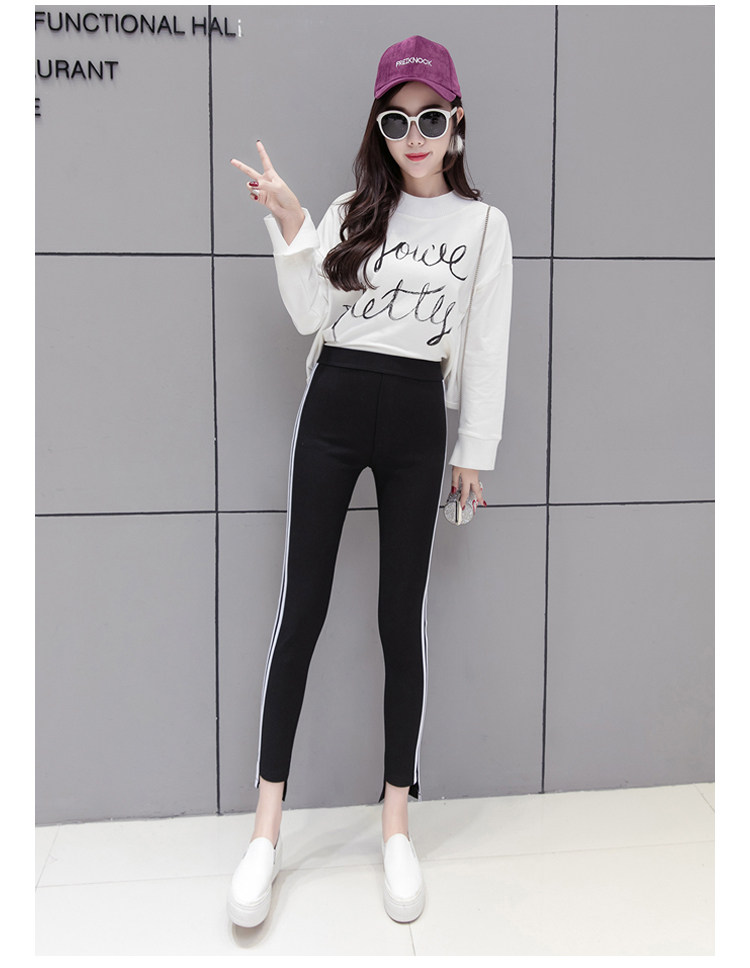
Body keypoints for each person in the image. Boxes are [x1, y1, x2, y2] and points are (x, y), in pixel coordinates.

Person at [227, 34, 513, 927]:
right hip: (336, 404)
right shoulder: (356, 209)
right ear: (379, 128)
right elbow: (312, 311)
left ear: (456, 122)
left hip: (418, 417)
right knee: (301, 609)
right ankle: (265, 833)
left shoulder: (484, 226)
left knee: (400, 618)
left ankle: (395, 824)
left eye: (430, 119)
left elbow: (488, 342)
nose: (413, 137)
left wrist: (475, 450)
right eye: (396, 121)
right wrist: (292, 223)